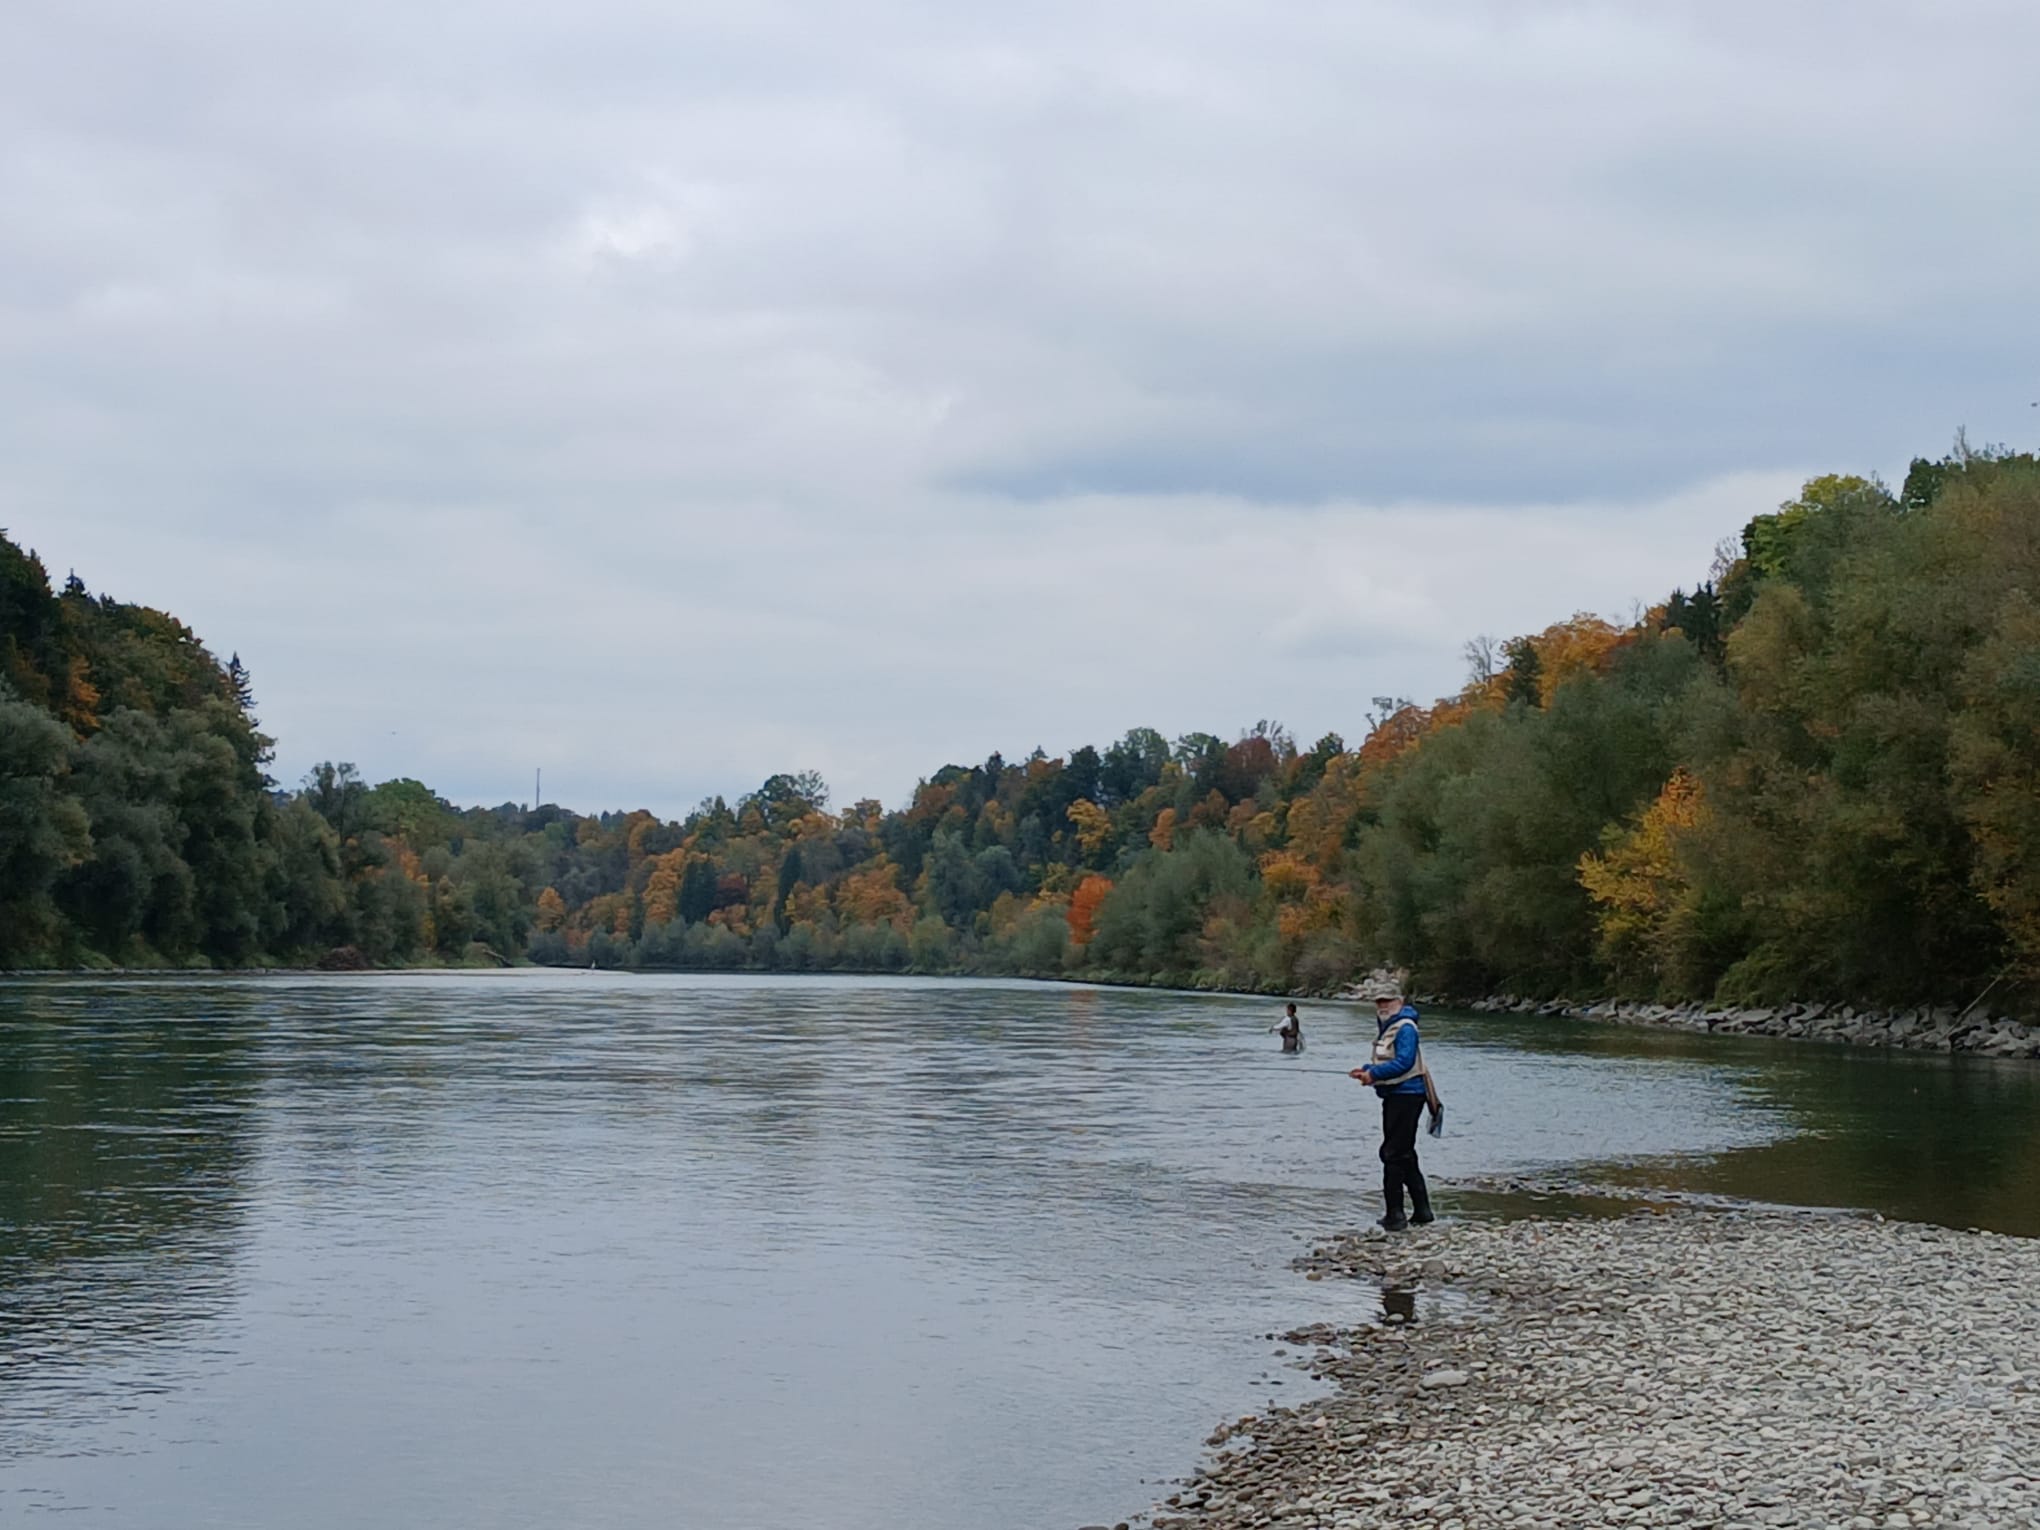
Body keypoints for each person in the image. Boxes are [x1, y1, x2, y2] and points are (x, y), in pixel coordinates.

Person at [1349, 984, 1434, 1230]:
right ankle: (1422, 1211)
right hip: (1397, 1096)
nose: (1382, 1005)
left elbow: (1405, 1063)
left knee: (1392, 1153)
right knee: (1404, 1153)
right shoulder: (1390, 1028)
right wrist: (1366, 1070)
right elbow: (1389, 1060)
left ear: (1400, 1001)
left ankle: (1395, 1215)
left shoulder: (1406, 1027)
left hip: (1407, 1096)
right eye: (1379, 1002)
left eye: (1387, 1000)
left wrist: (1373, 1074)